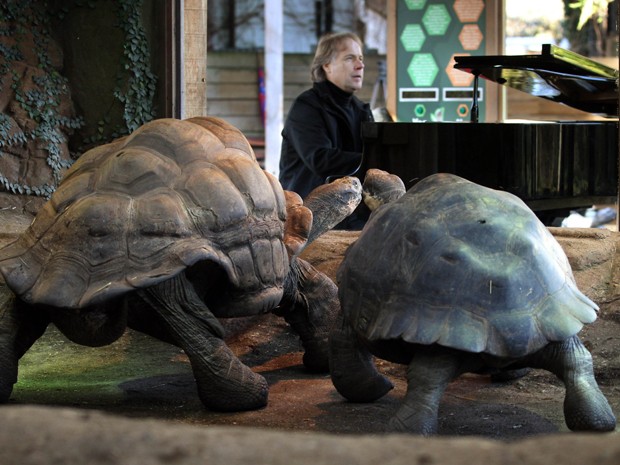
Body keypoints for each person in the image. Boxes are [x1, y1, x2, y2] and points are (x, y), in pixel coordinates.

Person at [279, 31, 373, 229]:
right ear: (326, 66)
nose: (360, 65)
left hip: (351, 215)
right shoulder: (307, 107)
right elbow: (321, 159)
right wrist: (370, 159)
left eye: (361, 58)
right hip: (307, 219)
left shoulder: (361, 110)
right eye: (350, 58)